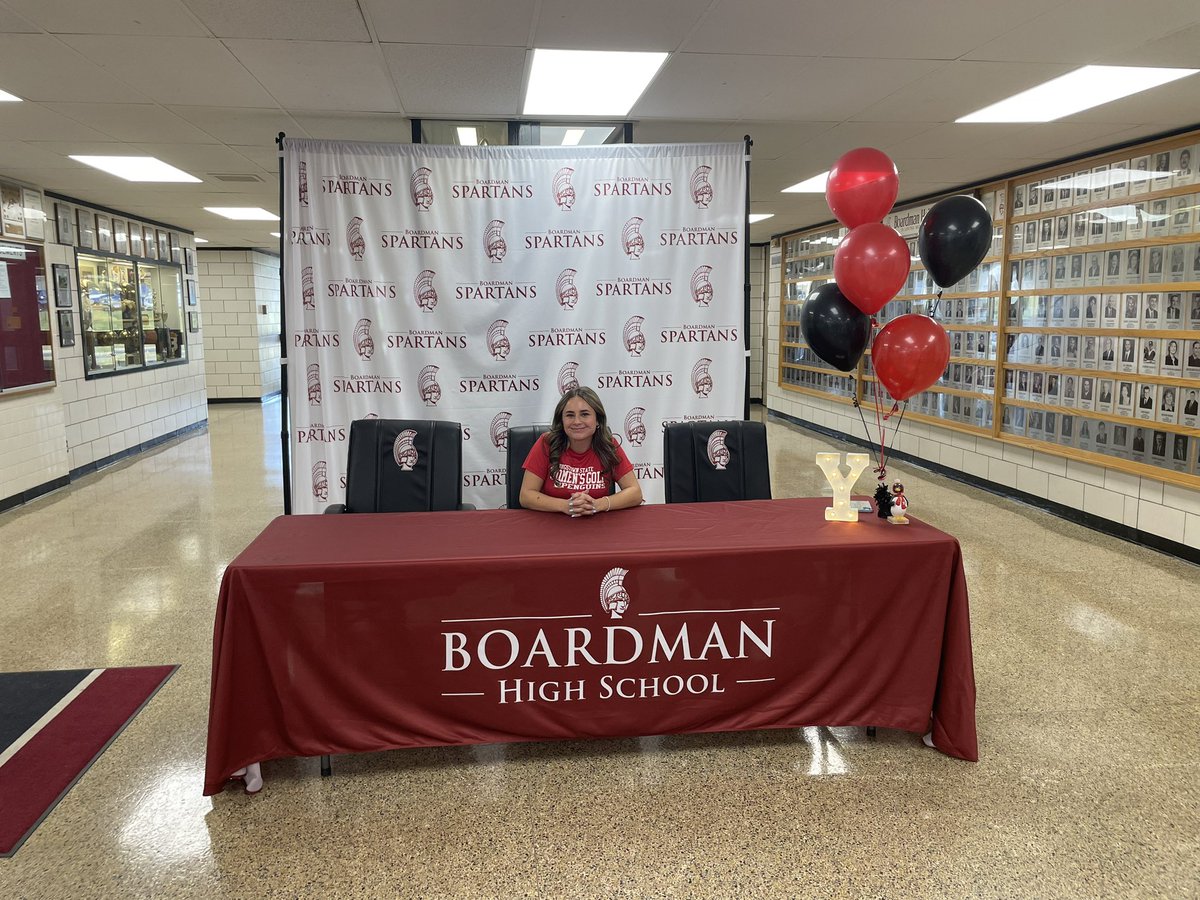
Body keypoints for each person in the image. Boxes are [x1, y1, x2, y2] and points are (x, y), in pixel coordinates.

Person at [520, 386, 644, 516]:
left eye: (584, 414)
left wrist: (597, 504)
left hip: (598, 526)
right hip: (552, 524)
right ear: (561, 421)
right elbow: (526, 495)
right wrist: (565, 506)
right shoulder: (547, 443)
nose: (577, 421)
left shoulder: (609, 445)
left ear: (598, 420)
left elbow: (635, 493)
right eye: (570, 415)